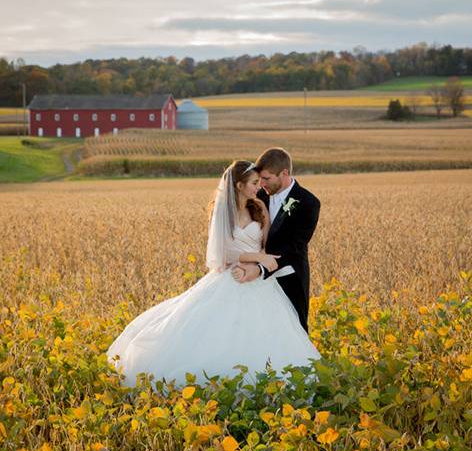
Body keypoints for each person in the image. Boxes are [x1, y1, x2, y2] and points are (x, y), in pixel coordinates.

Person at [107, 159, 320, 387]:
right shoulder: (222, 213)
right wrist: (256, 259)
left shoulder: (259, 208)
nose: (259, 187)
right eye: (254, 182)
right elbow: (222, 254)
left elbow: (266, 246)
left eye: (260, 182)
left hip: (259, 282)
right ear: (239, 186)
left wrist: (257, 266)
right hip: (229, 277)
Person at [232, 147, 321, 333]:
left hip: (289, 277)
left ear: (284, 173)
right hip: (253, 280)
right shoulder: (256, 196)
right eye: (259, 179)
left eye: (267, 178)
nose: (261, 184)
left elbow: (295, 246)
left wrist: (259, 269)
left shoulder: (308, 203)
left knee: (294, 332)